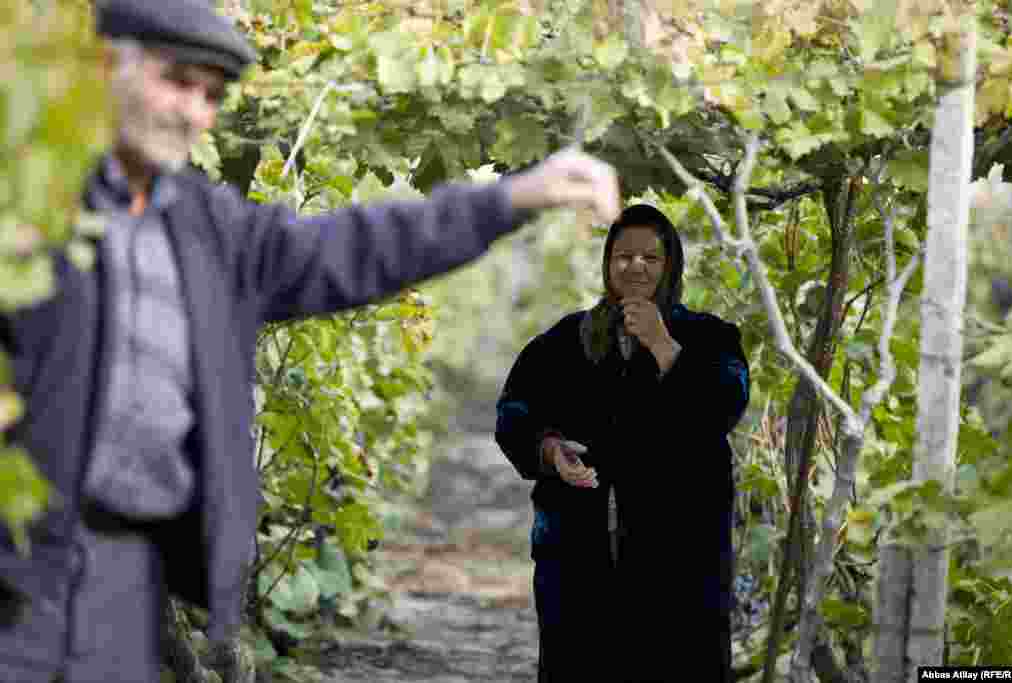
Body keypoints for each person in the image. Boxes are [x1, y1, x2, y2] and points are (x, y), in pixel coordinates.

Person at [0, 0, 621, 680]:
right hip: (16, 571)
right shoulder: (27, 199)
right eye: (175, 82)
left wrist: (512, 199)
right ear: (102, 68)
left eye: (210, 95)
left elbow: (356, 248)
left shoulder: (209, 230)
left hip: (128, 572)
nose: (193, 113)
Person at [495, 204, 749, 682]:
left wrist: (664, 345)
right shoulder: (564, 341)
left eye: (650, 258)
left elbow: (725, 405)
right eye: (624, 256)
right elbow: (515, 411)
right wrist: (549, 450)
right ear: (608, 263)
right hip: (578, 553)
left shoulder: (711, 339)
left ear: (670, 266)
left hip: (680, 559)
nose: (636, 267)